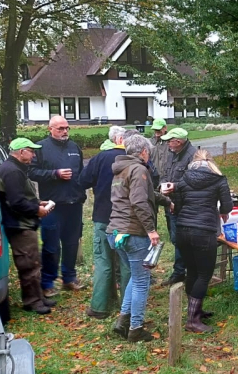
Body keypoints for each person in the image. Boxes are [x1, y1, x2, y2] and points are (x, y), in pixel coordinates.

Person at [108, 134, 169, 342]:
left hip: (115, 232)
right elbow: (139, 202)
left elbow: (145, 194)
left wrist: (166, 201)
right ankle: (136, 328)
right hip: (133, 233)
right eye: (148, 152)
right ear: (144, 152)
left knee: (135, 277)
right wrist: (151, 229)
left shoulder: (121, 169)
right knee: (142, 281)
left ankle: (123, 321)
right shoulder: (139, 169)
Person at [172, 148, 233, 333]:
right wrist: (219, 210)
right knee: (204, 275)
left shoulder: (183, 179)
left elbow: (178, 206)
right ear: (211, 162)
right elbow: (227, 206)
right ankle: (192, 321)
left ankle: (195, 311)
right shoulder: (218, 179)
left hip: (183, 230)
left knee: (192, 271)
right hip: (204, 231)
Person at [0, 138, 56, 315]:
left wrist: (37, 202)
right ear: (21, 152)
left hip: (22, 222)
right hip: (19, 225)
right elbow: (16, 202)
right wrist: (37, 210)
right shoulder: (12, 171)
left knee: (33, 261)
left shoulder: (14, 168)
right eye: (31, 151)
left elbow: (20, 196)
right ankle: (32, 301)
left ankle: (38, 297)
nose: (34, 155)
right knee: (29, 263)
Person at [78, 126, 131, 318]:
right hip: (127, 219)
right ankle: (127, 307)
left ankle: (100, 307)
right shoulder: (133, 158)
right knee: (126, 263)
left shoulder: (100, 158)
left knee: (103, 261)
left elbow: (82, 181)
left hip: (103, 216)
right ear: (122, 139)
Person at [29, 115, 86, 296]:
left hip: (74, 203)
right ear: (50, 129)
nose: (64, 131)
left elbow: (82, 173)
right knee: (51, 246)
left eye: (67, 128)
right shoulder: (41, 148)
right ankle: (47, 282)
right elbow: (32, 172)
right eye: (60, 128)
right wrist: (55, 174)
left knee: (71, 243)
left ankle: (69, 278)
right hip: (53, 205)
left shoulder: (74, 147)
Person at [158, 128, 196, 287]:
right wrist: (163, 185)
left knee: (186, 240)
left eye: (170, 141)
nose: (167, 143)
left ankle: (188, 272)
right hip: (172, 204)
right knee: (176, 239)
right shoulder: (172, 153)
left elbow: (194, 182)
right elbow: (165, 174)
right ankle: (180, 272)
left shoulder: (192, 156)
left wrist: (174, 186)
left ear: (179, 142)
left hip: (187, 206)